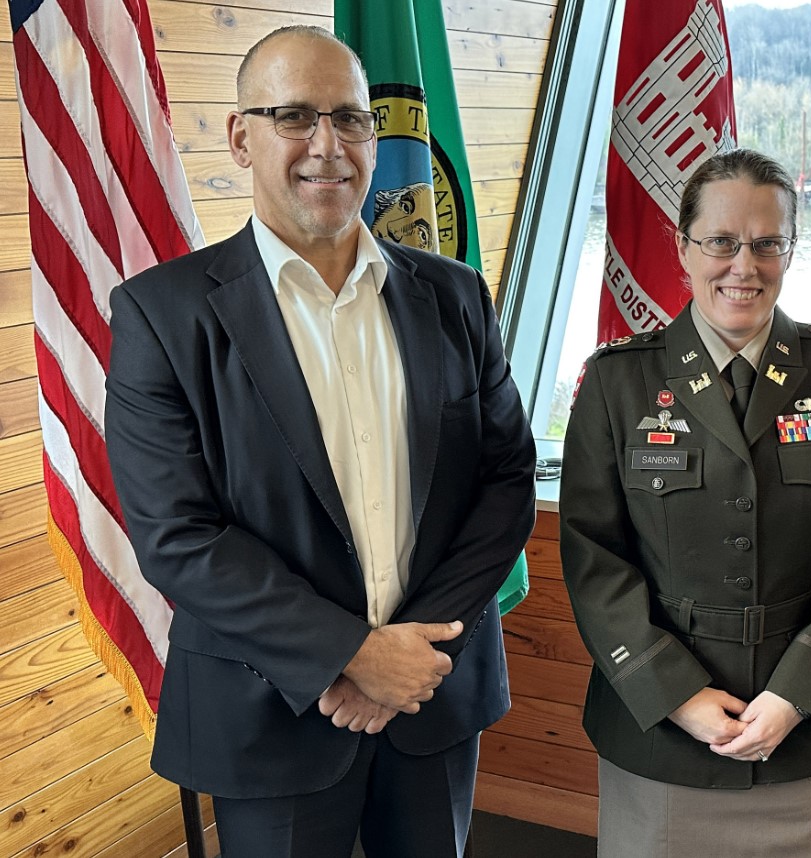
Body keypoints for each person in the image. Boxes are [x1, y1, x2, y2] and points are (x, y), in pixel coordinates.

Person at [104, 26, 536, 857]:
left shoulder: (454, 296)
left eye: (351, 118)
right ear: (242, 137)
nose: (328, 146)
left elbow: (507, 478)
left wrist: (407, 655)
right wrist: (352, 656)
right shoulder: (163, 314)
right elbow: (177, 535)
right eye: (296, 116)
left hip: (433, 692)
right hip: (268, 712)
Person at [560, 148, 811, 857]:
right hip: (661, 730)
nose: (743, 266)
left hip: (804, 729)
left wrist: (800, 690)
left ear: (790, 250)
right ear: (682, 246)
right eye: (721, 241)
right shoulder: (618, 383)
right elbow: (594, 556)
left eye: (767, 244)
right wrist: (675, 694)